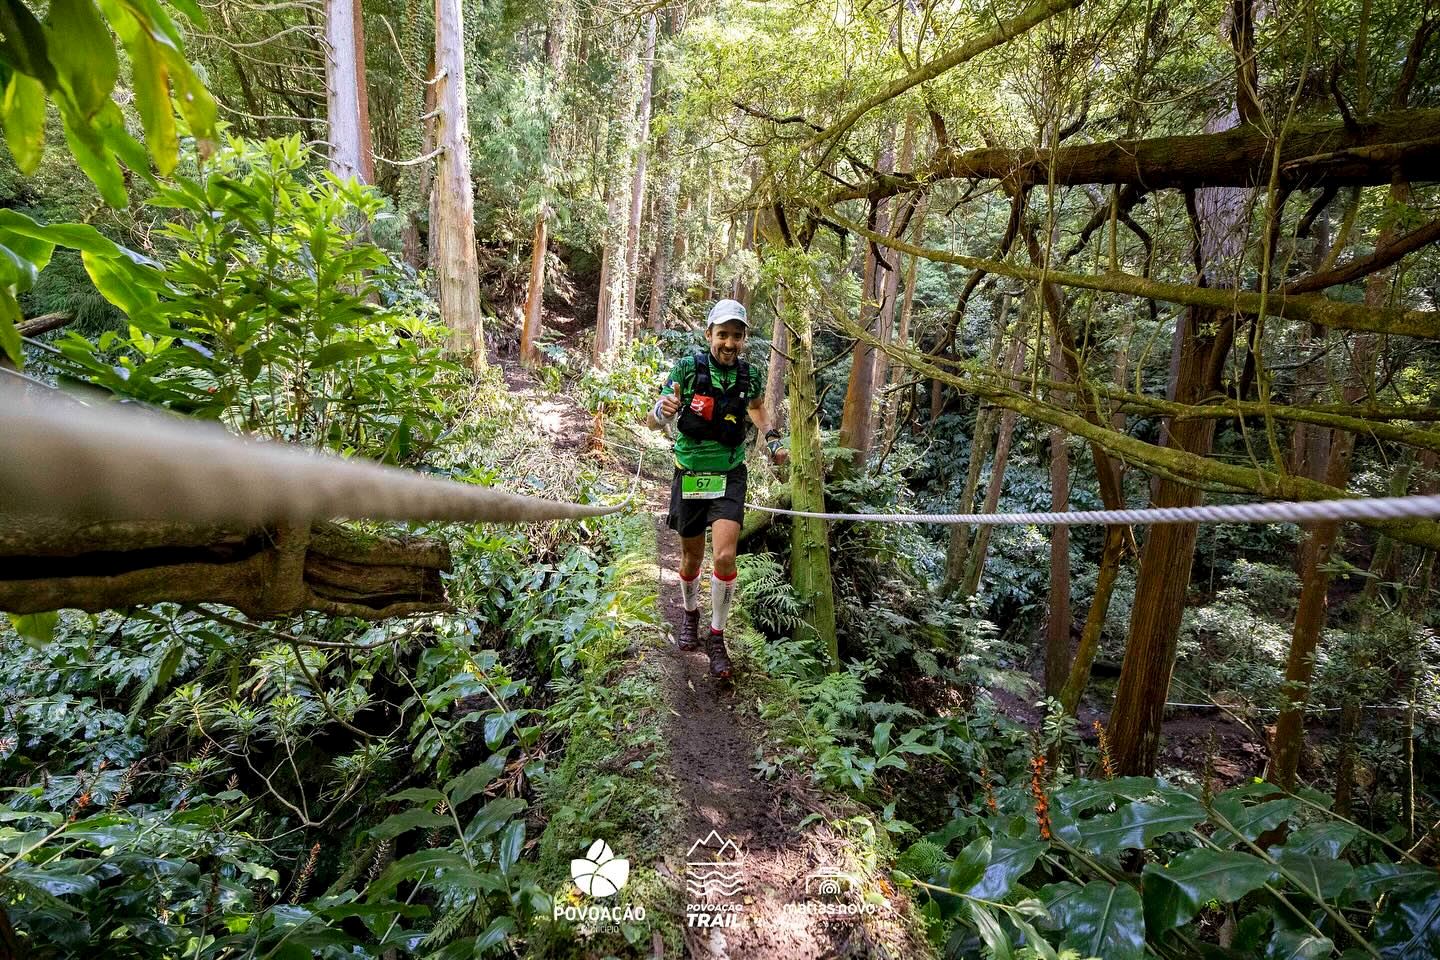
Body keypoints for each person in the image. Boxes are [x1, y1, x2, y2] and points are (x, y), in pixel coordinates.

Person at [646, 298, 788, 679]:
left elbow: (756, 408)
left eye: (736, 336)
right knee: (691, 559)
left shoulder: (749, 374)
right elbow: (652, 420)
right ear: (709, 334)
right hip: (690, 475)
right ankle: (690, 615)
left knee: (725, 557)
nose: (729, 343)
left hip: (729, 475)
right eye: (722, 334)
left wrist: (771, 438)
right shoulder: (688, 369)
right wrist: (665, 409)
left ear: (743, 339)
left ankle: (717, 636)